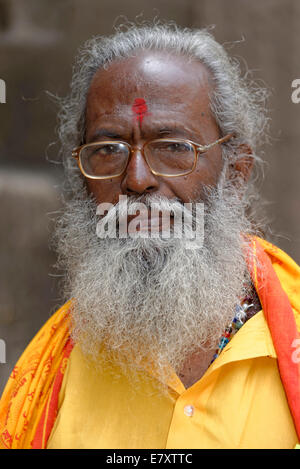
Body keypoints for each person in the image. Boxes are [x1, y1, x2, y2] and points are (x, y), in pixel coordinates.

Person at [0, 23, 300, 450]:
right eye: (108, 150)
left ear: (235, 173)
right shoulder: (50, 372)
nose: (137, 180)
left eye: (173, 146)